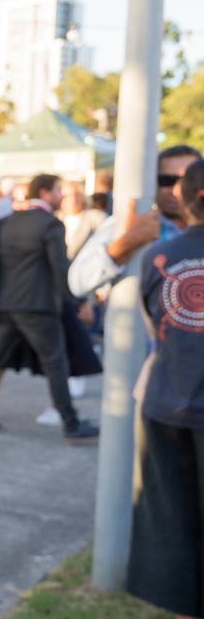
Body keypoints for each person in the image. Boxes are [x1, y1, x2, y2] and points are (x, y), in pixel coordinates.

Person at [0, 174, 100, 441]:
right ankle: (71, 424)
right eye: (59, 190)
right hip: (39, 306)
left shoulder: (6, 223)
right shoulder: (50, 224)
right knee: (56, 363)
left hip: (6, 303)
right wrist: (80, 302)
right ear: (46, 192)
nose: (62, 196)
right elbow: (61, 269)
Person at [128, 158, 204, 617]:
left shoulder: (159, 257)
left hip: (165, 400)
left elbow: (152, 322)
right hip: (175, 402)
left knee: (171, 524)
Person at [70, 145, 203, 300]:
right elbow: (77, 282)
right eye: (167, 180)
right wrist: (126, 242)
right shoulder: (131, 222)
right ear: (154, 182)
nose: (176, 189)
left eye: (187, 181)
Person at [60, 180, 108, 260]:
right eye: (67, 196)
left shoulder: (97, 217)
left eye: (76, 195)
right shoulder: (54, 219)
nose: (73, 200)